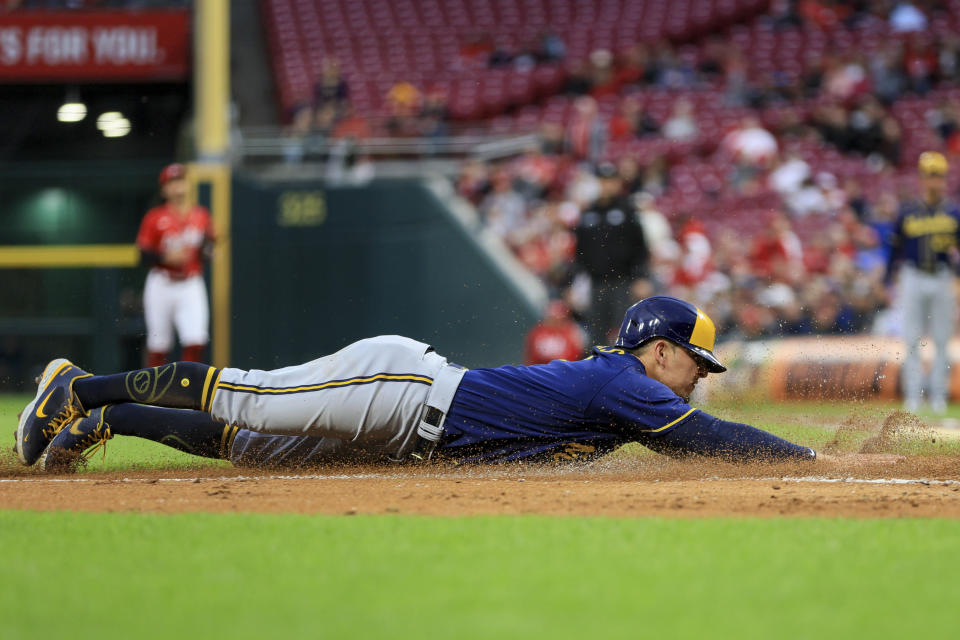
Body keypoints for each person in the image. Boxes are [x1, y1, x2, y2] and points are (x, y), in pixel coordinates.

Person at [15, 297, 891, 473]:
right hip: (401, 390)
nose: (698, 377)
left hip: (409, 434)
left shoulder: (628, 387)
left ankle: (111, 422)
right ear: (657, 350)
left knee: (253, 447)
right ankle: (80, 390)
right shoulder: (628, 383)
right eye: (694, 360)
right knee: (249, 395)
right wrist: (804, 457)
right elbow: (705, 442)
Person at [886, 152, 960, 414]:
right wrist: (887, 279)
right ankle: (913, 395)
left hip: (942, 276)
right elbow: (894, 250)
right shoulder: (907, 212)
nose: (934, 181)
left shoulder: (953, 212)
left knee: (942, 339)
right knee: (911, 337)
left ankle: (938, 395)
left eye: (938, 175)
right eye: (930, 175)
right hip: (913, 275)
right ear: (921, 178)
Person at [136, 164, 214, 367]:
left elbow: (207, 247)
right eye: (172, 182)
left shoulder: (201, 215)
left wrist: (210, 250)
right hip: (162, 282)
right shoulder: (154, 217)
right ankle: (155, 395)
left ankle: (187, 392)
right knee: (159, 344)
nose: (178, 186)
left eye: (181, 180)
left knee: (196, 340)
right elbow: (142, 255)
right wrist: (164, 257)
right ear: (164, 189)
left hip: (190, 283)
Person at [575, 163, 649, 343]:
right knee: (596, 334)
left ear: (617, 183)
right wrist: (577, 281)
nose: (606, 185)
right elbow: (580, 251)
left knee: (626, 332)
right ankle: (598, 371)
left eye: (609, 181)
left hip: (622, 282)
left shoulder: (627, 209)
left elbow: (640, 246)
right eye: (602, 181)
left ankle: (628, 369)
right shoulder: (588, 213)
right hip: (596, 283)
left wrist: (641, 277)